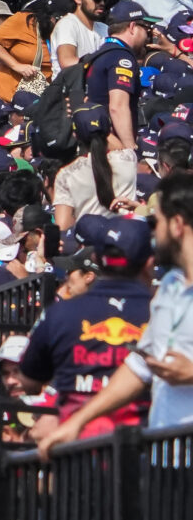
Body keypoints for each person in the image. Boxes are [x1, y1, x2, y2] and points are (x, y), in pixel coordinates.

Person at [37, 172, 193, 447]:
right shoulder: (169, 285)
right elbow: (139, 366)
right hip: (167, 457)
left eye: (156, 222)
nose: (152, 233)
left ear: (177, 225)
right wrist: (77, 421)